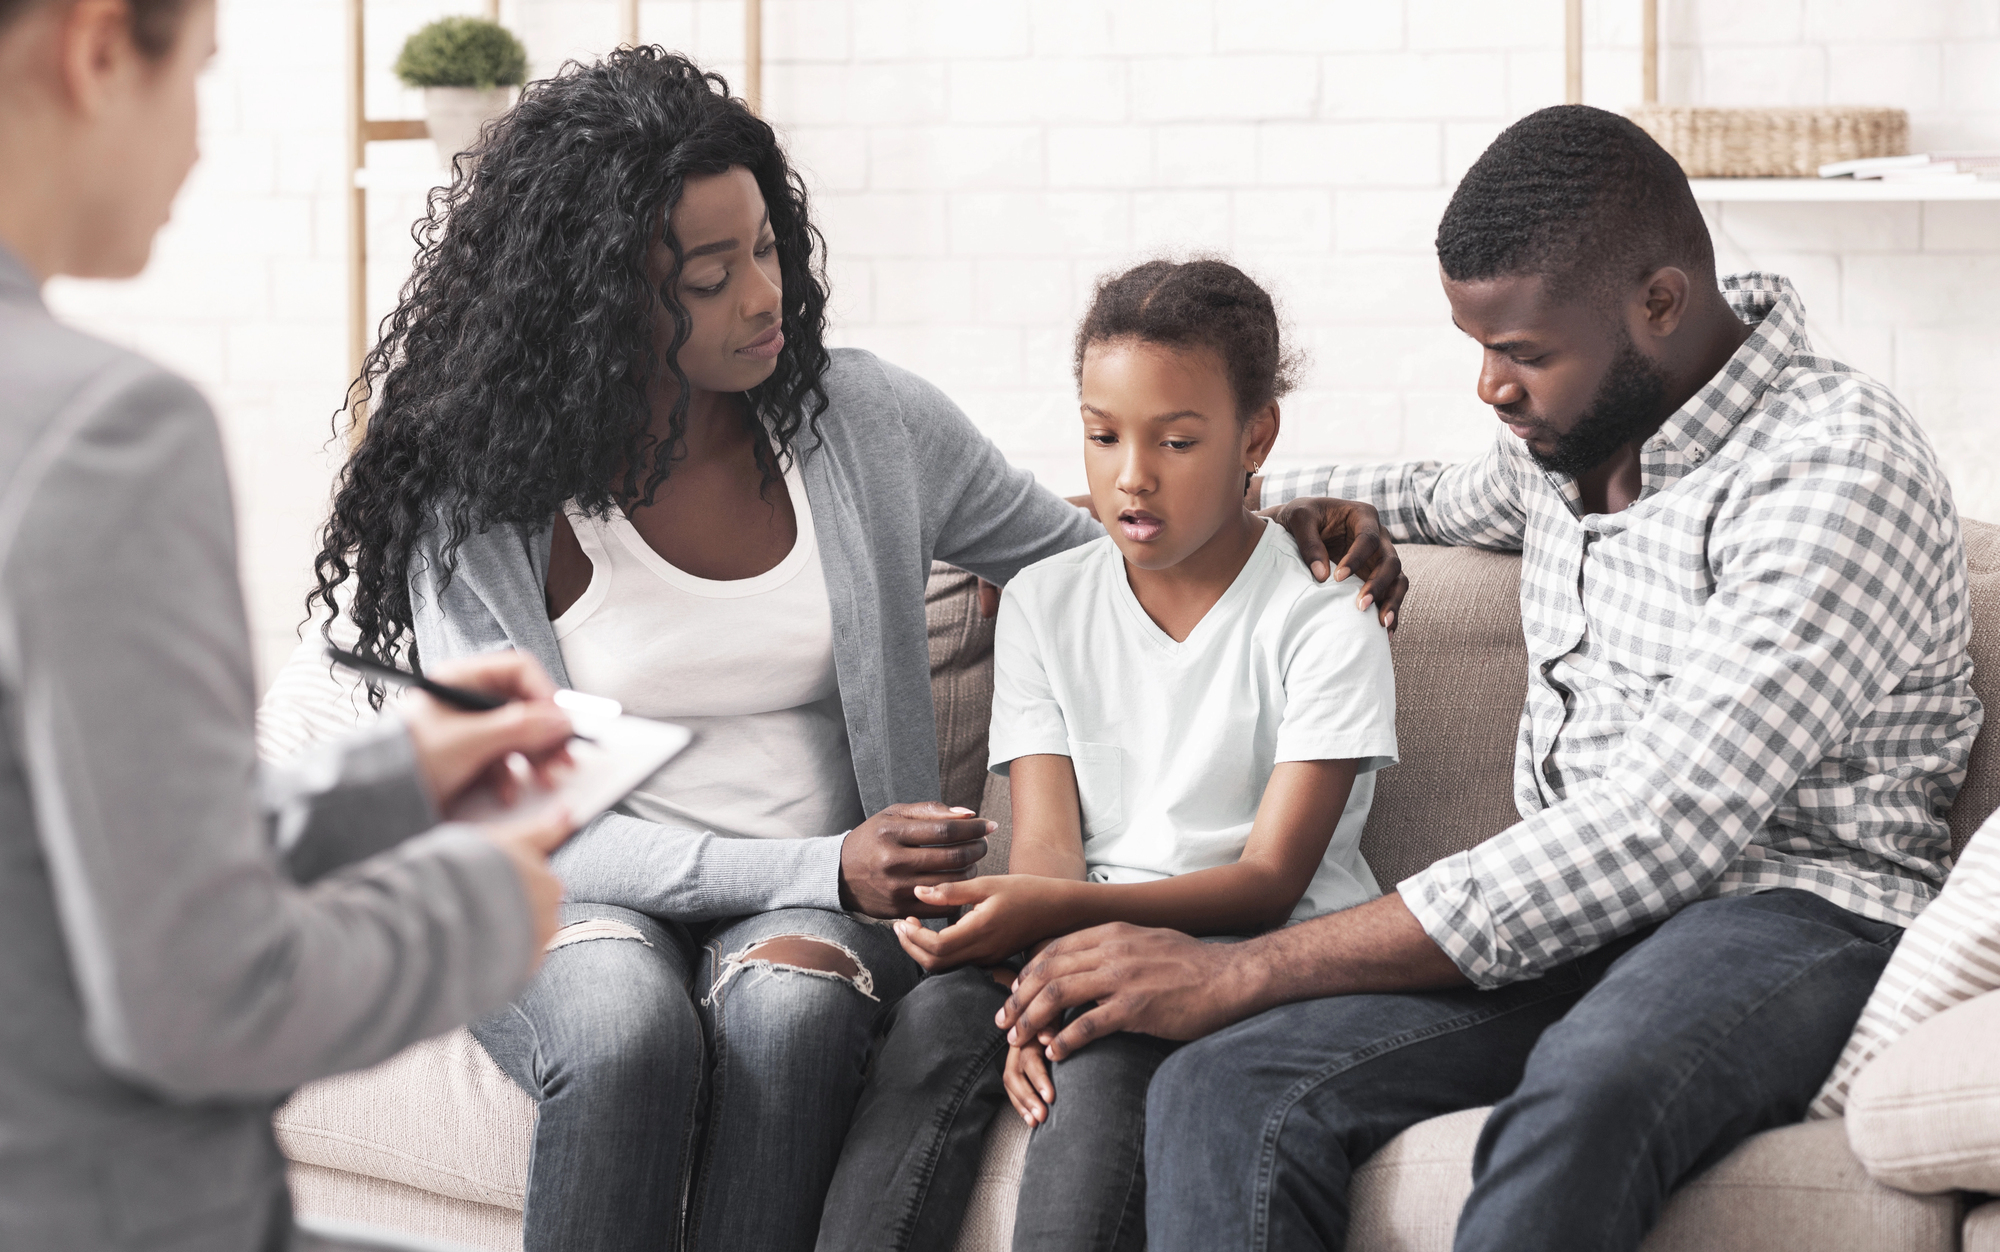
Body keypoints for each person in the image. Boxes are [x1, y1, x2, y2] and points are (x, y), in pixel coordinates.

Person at [307, 50, 1399, 1252]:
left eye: (767, 249)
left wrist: (1285, 511)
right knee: (625, 1035)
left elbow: (1092, 546)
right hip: (574, 891)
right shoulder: (479, 499)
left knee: (795, 1017)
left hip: (820, 909)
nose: (764, 296)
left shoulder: (864, 422)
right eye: (712, 276)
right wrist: (823, 866)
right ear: (599, 296)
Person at [992, 105, 1985, 1252]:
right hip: (1566, 933)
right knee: (1223, 1087)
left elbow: (1657, 830)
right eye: (1478, 347)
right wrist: (1182, 510)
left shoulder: (1832, 464)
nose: (1488, 388)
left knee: (1586, 1091)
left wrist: (1247, 969)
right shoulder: (1570, 449)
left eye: (1521, 353)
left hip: (1781, 913)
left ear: (1656, 304)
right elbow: (1416, 490)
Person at [0, 0, 585, 1249]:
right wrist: (484, 906)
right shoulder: (104, 431)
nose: (200, 145)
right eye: (197, 78)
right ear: (98, 48)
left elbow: (77, 859)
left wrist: (389, 781)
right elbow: (200, 992)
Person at [814, 258, 1400, 1252]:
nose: (1131, 474)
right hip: (1077, 934)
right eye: (1101, 434)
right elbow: (1045, 847)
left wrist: (1055, 930)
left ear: (1254, 436)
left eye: (1175, 440)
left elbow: (1266, 881)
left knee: (1099, 1056)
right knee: (930, 1024)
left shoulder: (1323, 619)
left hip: (1250, 958)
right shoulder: (1044, 602)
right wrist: (1028, 939)